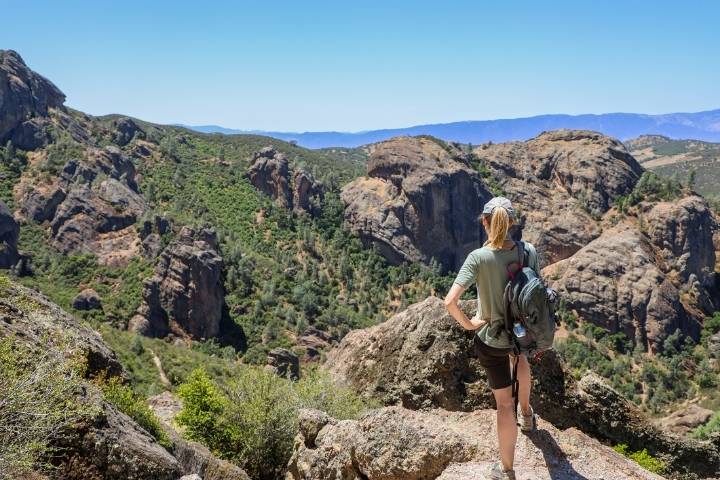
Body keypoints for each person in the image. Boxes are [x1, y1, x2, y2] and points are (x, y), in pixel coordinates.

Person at [444, 196, 538, 480]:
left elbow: (450, 301)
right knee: (520, 358)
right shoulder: (528, 251)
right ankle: (527, 414)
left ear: (485, 222)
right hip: (521, 332)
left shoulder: (479, 257)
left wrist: (471, 325)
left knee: (502, 406)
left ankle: (507, 470)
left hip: (492, 338)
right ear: (510, 223)